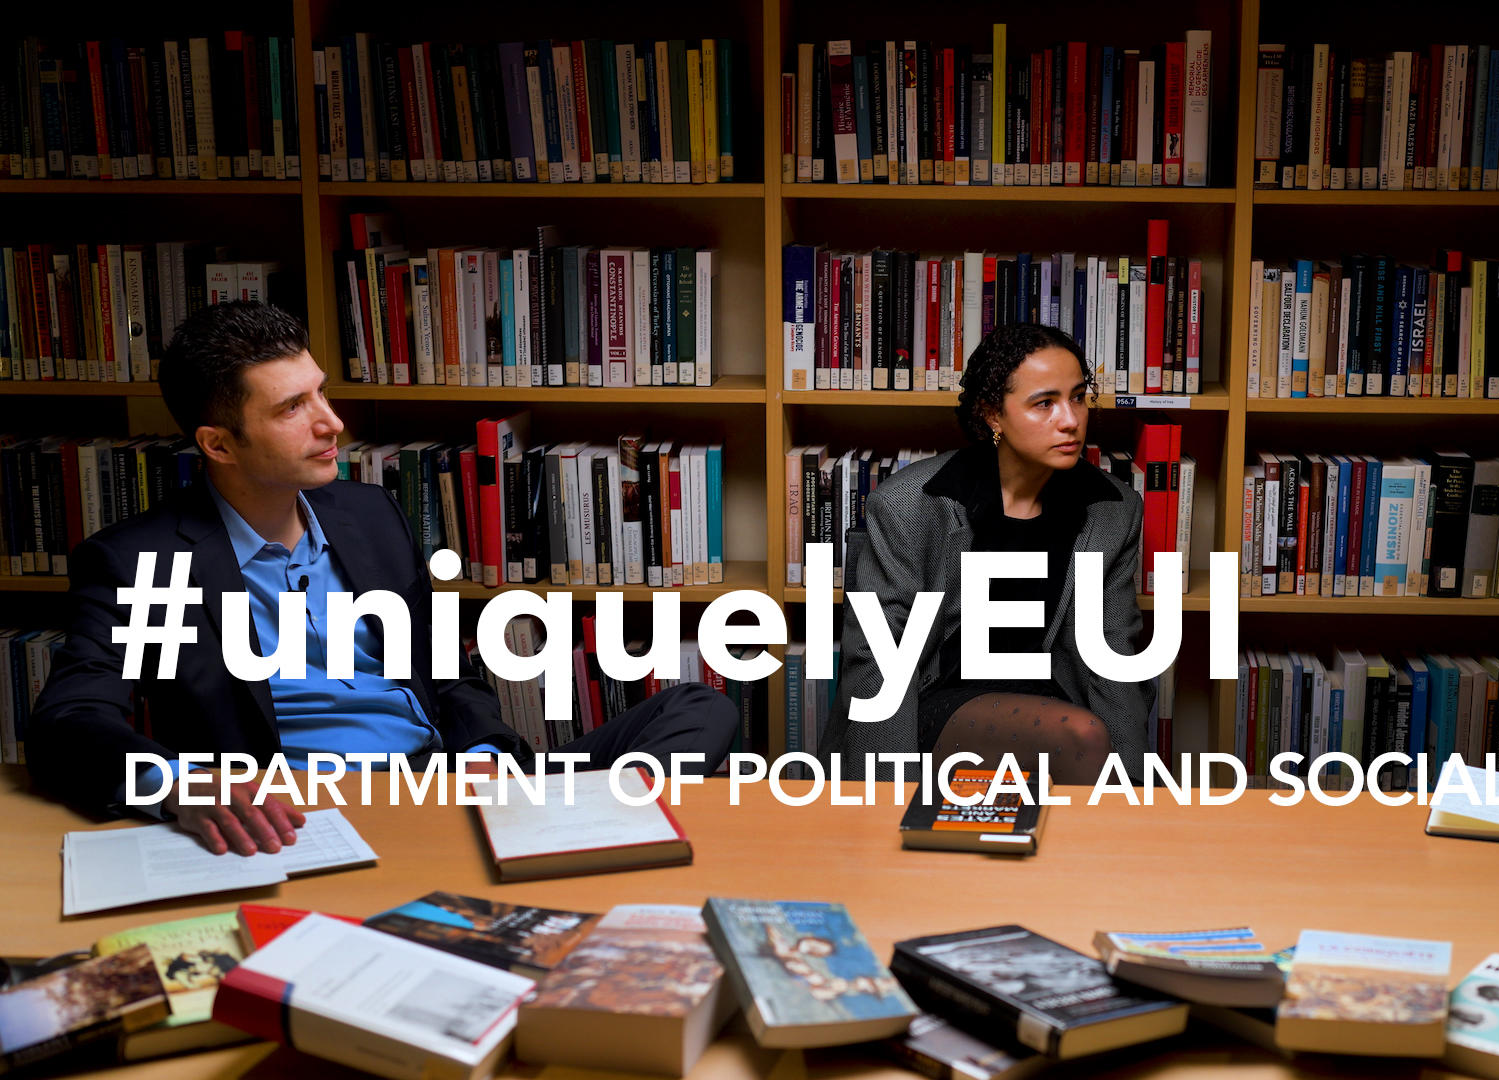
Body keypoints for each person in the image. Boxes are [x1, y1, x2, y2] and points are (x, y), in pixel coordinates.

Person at [27, 302, 737, 855]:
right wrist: (179, 786)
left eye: (320, 394)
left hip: (450, 781)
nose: (331, 423)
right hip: (317, 808)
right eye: (291, 409)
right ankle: (578, 839)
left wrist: (484, 755)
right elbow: (68, 726)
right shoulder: (147, 564)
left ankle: (570, 833)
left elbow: (447, 681)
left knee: (700, 709)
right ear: (218, 444)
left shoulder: (365, 513)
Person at [815, 323, 1155, 784]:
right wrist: (884, 795)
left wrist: (1134, 788)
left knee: (1093, 744)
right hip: (937, 699)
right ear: (993, 415)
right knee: (1082, 735)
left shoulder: (1112, 511)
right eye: (1044, 403)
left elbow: (1111, 654)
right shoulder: (911, 504)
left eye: (1078, 397)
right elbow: (880, 657)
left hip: (1054, 697)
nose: (1071, 419)